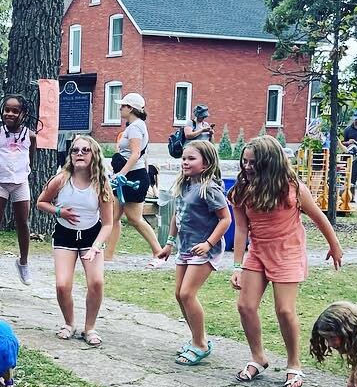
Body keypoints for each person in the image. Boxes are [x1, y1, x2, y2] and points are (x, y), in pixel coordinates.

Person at [229, 135, 344, 387]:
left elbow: (319, 217)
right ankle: (258, 358)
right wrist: (237, 266)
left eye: (253, 163)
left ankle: (294, 364)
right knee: (245, 306)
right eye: (244, 161)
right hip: (257, 252)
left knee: (284, 310)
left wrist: (334, 245)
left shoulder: (291, 188)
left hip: (287, 253)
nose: (247, 167)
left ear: (269, 163)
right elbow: (240, 230)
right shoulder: (241, 189)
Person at [36, 135, 115, 347]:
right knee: (62, 285)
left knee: (96, 282)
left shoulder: (101, 184)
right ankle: (69, 323)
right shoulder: (61, 179)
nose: (79, 154)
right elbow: (41, 203)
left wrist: (96, 247)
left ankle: (89, 328)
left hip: (91, 236)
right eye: (75, 150)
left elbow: (108, 224)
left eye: (85, 150)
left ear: (94, 155)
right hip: (65, 235)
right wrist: (59, 211)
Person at [158, 140, 232, 366]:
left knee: (188, 294)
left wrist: (209, 243)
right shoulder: (185, 185)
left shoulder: (209, 189)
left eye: (191, 159)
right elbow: (176, 216)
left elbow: (226, 219)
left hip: (205, 249)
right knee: (179, 294)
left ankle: (200, 343)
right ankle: (196, 339)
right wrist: (169, 243)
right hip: (185, 246)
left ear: (206, 163)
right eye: (184, 158)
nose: (185, 162)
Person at [0, 95, 37, 286]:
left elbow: (31, 156)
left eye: (15, 111)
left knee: (23, 223)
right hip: (0, 182)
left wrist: (27, 171)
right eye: (7, 110)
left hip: (20, 183)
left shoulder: (30, 135)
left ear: (23, 114)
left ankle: (23, 263)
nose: (9, 114)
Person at [107, 92, 166, 267]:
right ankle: (108, 254)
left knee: (134, 218)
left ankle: (158, 252)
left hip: (133, 176)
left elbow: (135, 154)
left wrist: (121, 174)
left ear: (130, 108)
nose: (119, 108)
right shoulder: (136, 125)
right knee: (113, 216)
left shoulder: (135, 127)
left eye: (122, 106)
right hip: (130, 175)